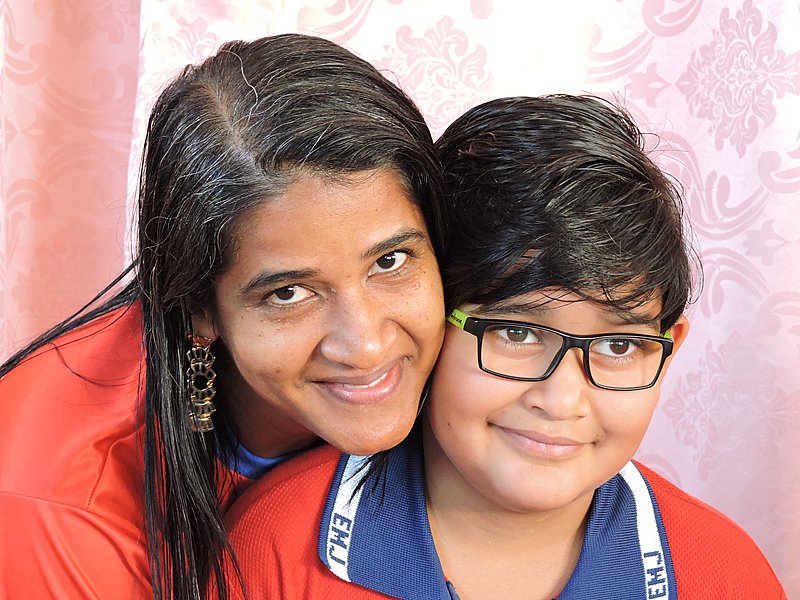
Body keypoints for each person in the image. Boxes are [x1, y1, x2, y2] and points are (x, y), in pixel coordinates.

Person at [222, 95, 787, 599]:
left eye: (618, 344)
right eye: (517, 333)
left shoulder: (723, 572)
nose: (562, 401)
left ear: (668, 349)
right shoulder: (272, 549)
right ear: (433, 319)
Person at [0, 34, 448, 600]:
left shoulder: (489, 357)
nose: (365, 345)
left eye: (390, 261)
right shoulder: (52, 501)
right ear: (198, 306)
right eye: (289, 294)